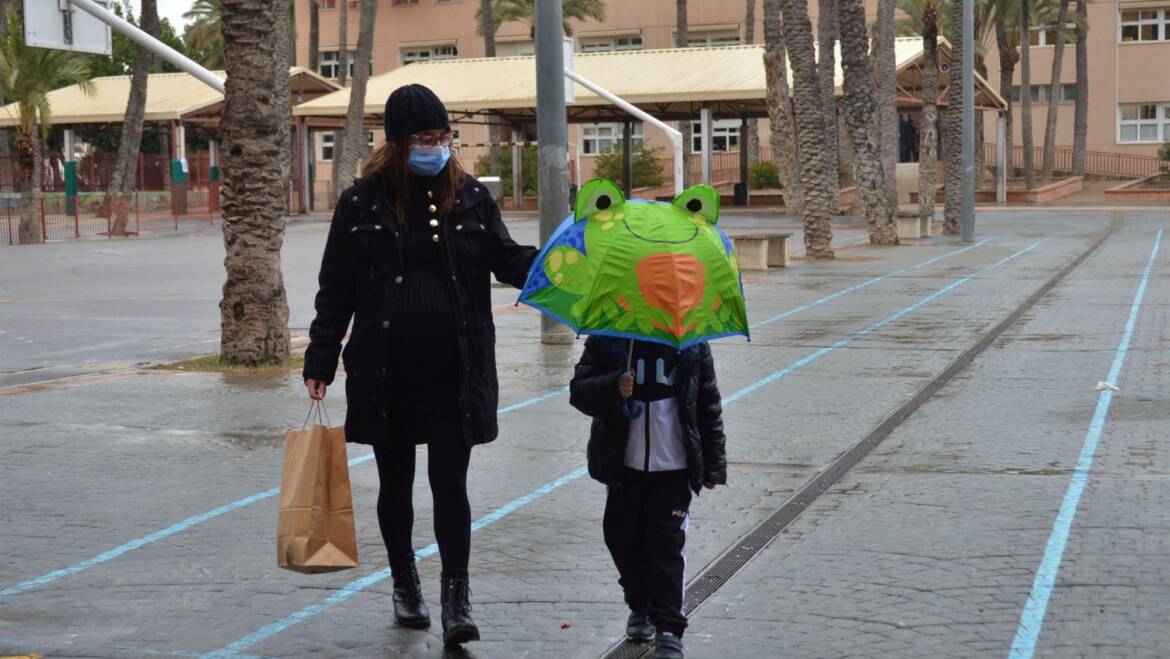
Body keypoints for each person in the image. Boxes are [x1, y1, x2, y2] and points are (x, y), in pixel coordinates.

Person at [302, 84, 537, 646]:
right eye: (425, 138)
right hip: (386, 369)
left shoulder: (472, 195)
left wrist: (552, 261)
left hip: (456, 366)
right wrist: (321, 355)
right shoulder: (362, 202)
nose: (437, 146)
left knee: (450, 484)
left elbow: (503, 258)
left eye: (443, 136)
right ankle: (405, 584)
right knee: (396, 483)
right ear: (399, 143)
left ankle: (456, 596)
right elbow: (335, 287)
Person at [569, 337, 727, 659]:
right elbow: (580, 391)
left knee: (667, 546)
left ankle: (669, 627)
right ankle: (639, 603)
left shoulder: (692, 344)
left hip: (673, 468)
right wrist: (614, 386)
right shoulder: (610, 337)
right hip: (624, 467)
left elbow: (707, 404)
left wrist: (713, 463)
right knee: (621, 537)